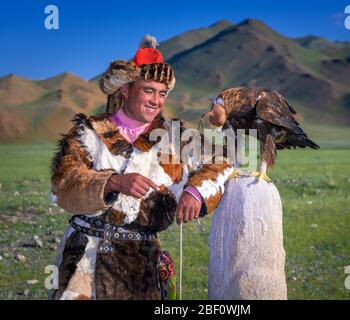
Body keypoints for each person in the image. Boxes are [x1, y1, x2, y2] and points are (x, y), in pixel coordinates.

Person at [50, 35, 234, 300]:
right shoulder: (89, 133)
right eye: (148, 90)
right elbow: (63, 183)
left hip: (141, 262)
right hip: (83, 259)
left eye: (162, 94)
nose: (156, 101)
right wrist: (111, 182)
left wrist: (195, 192)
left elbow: (223, 162)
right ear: (126, 89)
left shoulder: (175, 137)